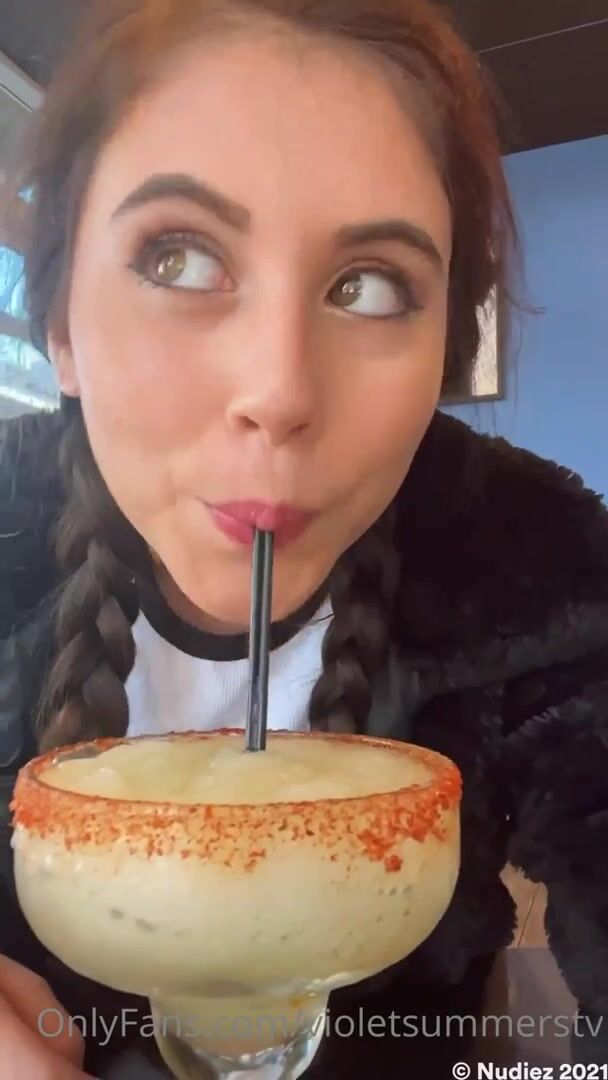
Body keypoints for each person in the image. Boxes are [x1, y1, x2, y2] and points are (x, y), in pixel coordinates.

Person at [1, 0, 608, 1076]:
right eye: (179, 259)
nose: (279, 392)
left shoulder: (537, 569)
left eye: (367, 287)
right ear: (61, 331)